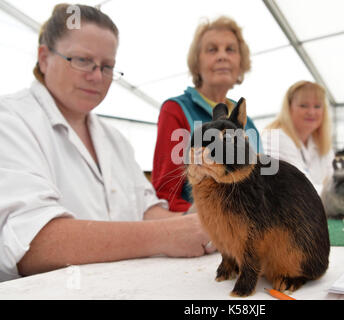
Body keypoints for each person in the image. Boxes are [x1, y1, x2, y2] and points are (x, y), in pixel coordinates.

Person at [0, 4, 214, 282]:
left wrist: (206, 219)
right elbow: (33, 243)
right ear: (44, 58)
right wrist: (170, 235)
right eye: (81, 60)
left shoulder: (115, 140)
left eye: (107, 66)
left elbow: (147, 210)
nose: (97, 76)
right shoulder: (11, 121)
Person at [152, 16, 262, 212]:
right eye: (212, 49)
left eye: (230, 49)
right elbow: (166, 196)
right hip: (200, 230)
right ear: (197, 62)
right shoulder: (176, 110)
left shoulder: (248, 122)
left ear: (240, 62)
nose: (222, 56)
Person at [261, 81, 334, 193]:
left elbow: (334, 179)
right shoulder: (274, 138)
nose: (311, 112)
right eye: (303, 106)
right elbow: (296, 187)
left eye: (317, 106)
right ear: (289, 108)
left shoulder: (321, 143)